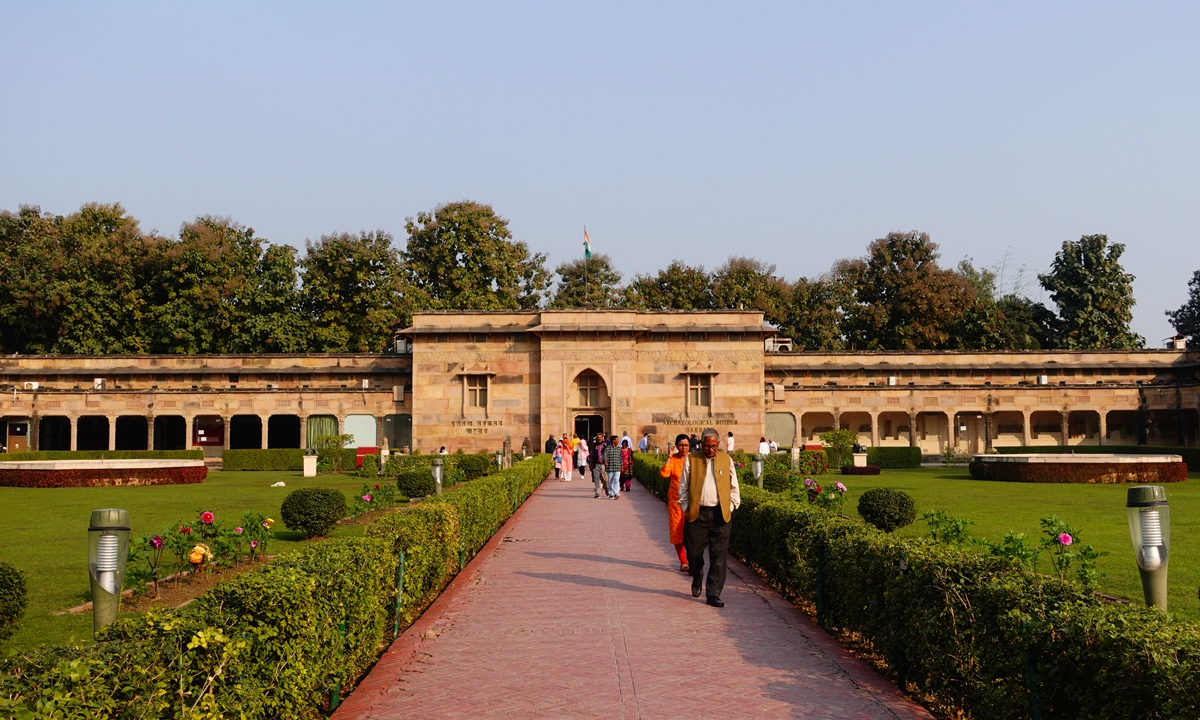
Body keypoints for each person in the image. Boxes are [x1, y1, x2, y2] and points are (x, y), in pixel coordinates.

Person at [678, 427, 740, 608]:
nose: (711, 450)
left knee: (718, 556)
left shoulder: (725, 459)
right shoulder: (692, 459)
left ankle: (713, 593)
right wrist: (685, 508)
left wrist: (732, 505)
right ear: (702, 444)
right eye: (707, 446)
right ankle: (697, 576)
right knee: (694, 553)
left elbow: (733, 485)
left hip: (720, 514)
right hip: (697, 514)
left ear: (718, 444)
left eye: (714, 446)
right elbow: (683, 486)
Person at [659, 433, 691, 572]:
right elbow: (664, 474)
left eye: (686, 445)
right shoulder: (674, 459)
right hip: (675, 501)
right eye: (681, 445)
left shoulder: (694, 459)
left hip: (691, 501)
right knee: (677, 530)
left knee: (691, 532)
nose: (683, 448)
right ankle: (683, 561)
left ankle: (692, 560)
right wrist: (669, 456)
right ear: (676, 446)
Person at [604, 435, 624, 499]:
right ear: (613, 441)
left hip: (617, 467)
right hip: (610, 467)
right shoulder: (607, 448)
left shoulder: (619, 449)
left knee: (616, 480)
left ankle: (616, 493)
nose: (618, 441)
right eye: (617, 440)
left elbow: (620, 458)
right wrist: (605, 461)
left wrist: (621, 465)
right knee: (610, 481)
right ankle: (611, 493)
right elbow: (605, 456)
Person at [589, 433, 607, 498]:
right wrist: (590, 464)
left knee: (606, 480)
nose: (599, 438)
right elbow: (591, 455)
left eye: (600, 437)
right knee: (597, 480)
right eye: (598, 437)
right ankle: (597, 493)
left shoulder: (606, 445)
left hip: (604, 464)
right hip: (596, 464)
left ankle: (607, 490)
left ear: (602, 438)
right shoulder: (593, 445)